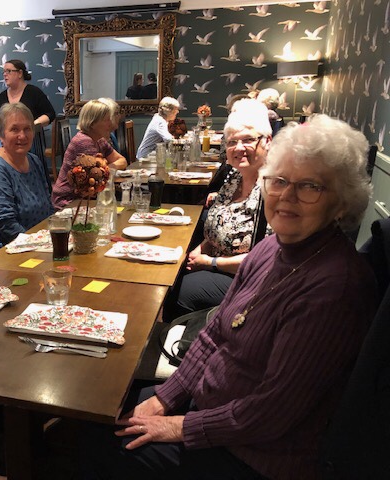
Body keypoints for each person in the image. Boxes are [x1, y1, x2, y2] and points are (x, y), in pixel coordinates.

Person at [84, 114, 377, 480]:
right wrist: (165, 398)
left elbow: (273, 412)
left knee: (99, 442)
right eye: (279, 181)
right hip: (211, 408)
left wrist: (179, 426)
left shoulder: (334, 289)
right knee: (99, 409)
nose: (286, 197)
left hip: (255, 453)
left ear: (342, 201)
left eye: (310, 186)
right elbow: (214, 334)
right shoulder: (272, 247)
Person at [166, 99, 272, 319]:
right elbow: (219, 222)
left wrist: (211, 263)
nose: (239, 148)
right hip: (219, 261)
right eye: (232, 142)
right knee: (171, 273)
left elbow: (267, 260)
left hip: (251, 281)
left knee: (177, 292)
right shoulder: (234, 178)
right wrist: (203, 247)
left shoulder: (272, 190)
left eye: (248, 140)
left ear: (267, 141)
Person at [0, 102, 55, 249]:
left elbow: (48, 208)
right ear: (1, 135)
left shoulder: (34, 160)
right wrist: (41, 245)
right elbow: (7, 226)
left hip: (41, 243)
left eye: (27, 129)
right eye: (14, 129)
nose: (22, 136)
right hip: (10, 249)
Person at [52, 99, 127, 210]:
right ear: (92, 123)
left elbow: (122, 161)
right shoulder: (84, 142)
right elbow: (96, 181)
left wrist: (104, 169)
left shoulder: (99, 139)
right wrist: (104, 170)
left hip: (86, 198)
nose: (111, 124)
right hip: (69, 201)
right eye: (106, 120)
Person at [0, 59, 55, 128]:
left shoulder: (34, 92)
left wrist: (32, 125)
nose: (4, 74)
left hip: (32, 133)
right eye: (4, 71)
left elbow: (50, 114)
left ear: (20, 73)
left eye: (9, 71)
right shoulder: (1, 97)